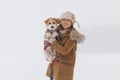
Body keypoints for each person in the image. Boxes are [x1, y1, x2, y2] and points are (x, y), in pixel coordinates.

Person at [46, 11, 85, 80]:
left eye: (68, 20)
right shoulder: (56, 31)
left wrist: (53, 41)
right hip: (54, 66)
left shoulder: (73, 36)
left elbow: (64, 51)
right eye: (63, 19)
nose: (65, 22)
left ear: (72, 22)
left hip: (64, 68)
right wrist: (48, 54)